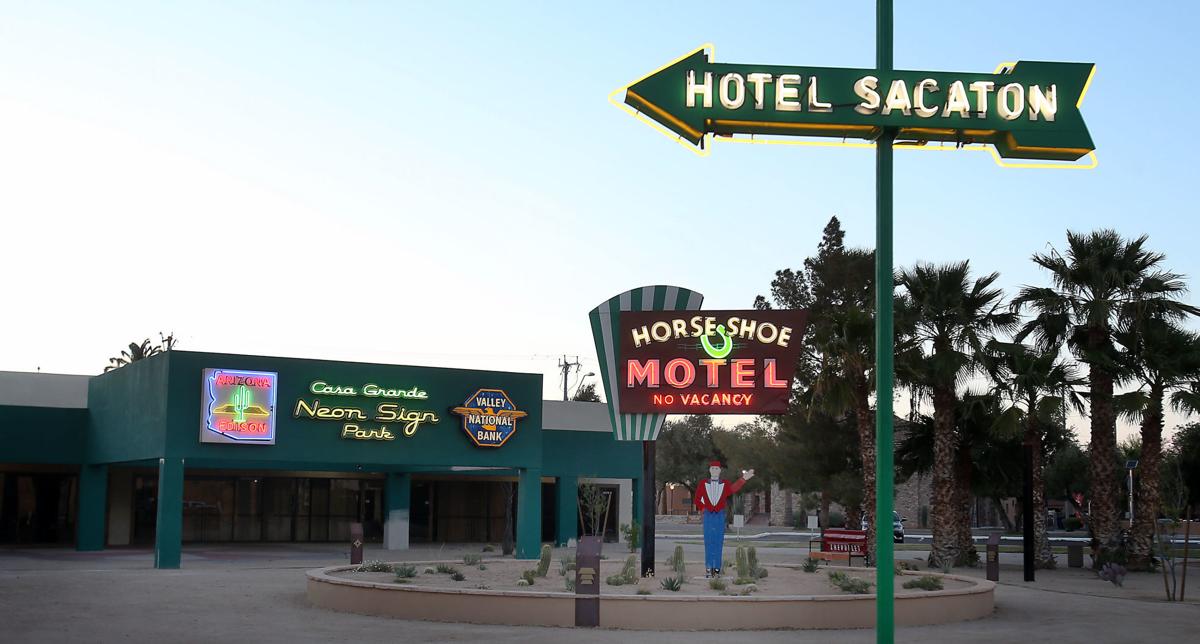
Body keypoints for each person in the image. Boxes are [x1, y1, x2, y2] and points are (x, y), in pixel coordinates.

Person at [693, 459, 754, 578]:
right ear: (710, 470)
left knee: (718, 541)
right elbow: (697, 499)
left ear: (720, 471)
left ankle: (717, 568)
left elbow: (733, 489)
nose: (715, 471)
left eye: (717, 469)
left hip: (720, 515)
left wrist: (743, 479)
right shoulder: (703, 483)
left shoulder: (725, 484)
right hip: (708, 516)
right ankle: (708, 567)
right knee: (708, 541)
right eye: (713, 469)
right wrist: (703, 508)